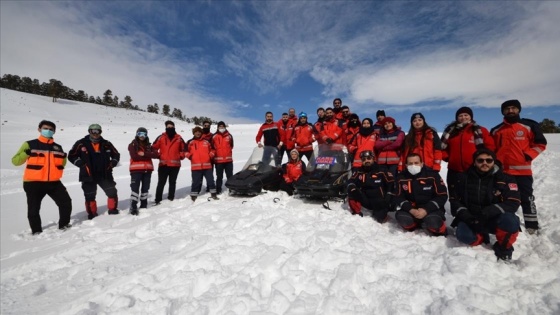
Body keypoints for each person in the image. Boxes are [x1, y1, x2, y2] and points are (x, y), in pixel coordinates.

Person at [450, 148, 521, 260]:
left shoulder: (507, 179)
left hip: (495, 218)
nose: (485, 163)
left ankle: (503, 246)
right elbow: (455, 201)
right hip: (473, 218)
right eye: (480, 160)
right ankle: (481, 237)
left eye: (489, 160)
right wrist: (467, 217)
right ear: (474, 162)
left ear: (494, 161)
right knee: (464, 236)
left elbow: (513, 202)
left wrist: (489, 211)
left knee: (511, 221)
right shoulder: (462, 178)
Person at [491, 99, 547, 234]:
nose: (510, 111)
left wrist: (528, 155)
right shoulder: (496, 130)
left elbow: (540, 144)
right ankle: (504, 221)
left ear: (518, 110)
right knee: (501, 197)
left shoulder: (529, 126)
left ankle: (532, 224)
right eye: (507, 109)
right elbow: (491, 150)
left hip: (523, 172)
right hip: (503, 172)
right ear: (503, 112)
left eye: (513, 108)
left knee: (527, 198)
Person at [11, 120, 72, 234]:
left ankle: (64, 225)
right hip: (33, 183)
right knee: (33, 209)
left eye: (51, 129)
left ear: (54, 132)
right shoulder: (29, 144)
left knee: (66, 202)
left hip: (54, 182)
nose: (48, 131)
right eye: (45, 128)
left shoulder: (57, 147)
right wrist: (26, 153)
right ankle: (36, 231)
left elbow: (62, 162)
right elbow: (15, 161)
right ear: (39, 129)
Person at [68, 123, 120, 219]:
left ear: (101, 132)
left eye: (98, 131)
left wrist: (113, 162)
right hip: (88, 174)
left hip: (105, 174)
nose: (96, 133)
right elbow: (71, 155)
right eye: (93, 131)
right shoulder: (81, 143)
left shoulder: (107, 144)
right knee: (89, 195)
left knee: (112, 192)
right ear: (89, 131)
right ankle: (92, 214)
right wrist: (80, 163)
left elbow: (116, 154)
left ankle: (113, 210)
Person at [441, 107, 495, 196]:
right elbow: (442, 148)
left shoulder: (480, 130)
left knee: (473, 195)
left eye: (466, 115)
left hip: (475, 169)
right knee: (454, 195)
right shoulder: (450, 131)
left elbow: (490, 147)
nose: (463, 117)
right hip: (454, 170)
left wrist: (484, 161)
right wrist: (447, 157)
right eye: (460, 115)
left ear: (471, 117)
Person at [394, 153, 448, 236]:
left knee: (432, 221)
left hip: (431, 210)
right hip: (412, 210)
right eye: (410, 163)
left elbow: (442, 195)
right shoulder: (401, 177)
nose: (413, 165)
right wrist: (410, 209)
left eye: (416, 163)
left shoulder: (432, 175)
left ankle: (440, 230)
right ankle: (415, 225)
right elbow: (398, 197)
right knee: (401, 217)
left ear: (422, 163)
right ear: (406, 165)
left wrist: (426, 209)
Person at [346, 150, 394, 223]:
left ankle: (381, 212)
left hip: (380, 201)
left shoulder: (382, 170)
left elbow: (391, 183)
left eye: (368, 158)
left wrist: (389, 196)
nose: (366, 160)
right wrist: (352, 187)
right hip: (366, 199)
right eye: (364, 159)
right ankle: (357, 212)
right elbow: (351, 180)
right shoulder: (359, 171)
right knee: (351, 190)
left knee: (380, 218)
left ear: (373, 159)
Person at [151, 120, 185, 205]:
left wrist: (180, 156)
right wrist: (158, 155)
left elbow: (184, 149)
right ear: (166, 127)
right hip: (163, 164)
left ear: (174, 127)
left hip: (175, 165)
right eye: (168, 127)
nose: (170, 128)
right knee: (161, 183)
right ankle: (158, 200)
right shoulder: (161, 137)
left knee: (172, 182)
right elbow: (153, 148)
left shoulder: (179, 138)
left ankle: (171, 198)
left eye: (171, 127)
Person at [128, 127, 159, 215]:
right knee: (135, 189)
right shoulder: (132, 145)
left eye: (144, 134)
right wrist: (149, 155)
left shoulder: (149, 145)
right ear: (137, 134)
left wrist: (144, 154)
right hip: (136, 170)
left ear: (146, 135)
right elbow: (134, 156)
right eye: (140, 134)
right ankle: (133, 206)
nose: (142, 136)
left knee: (145, 188)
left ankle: (143, 204)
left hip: (147, 170)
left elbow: (156, 154)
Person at [185, 126, 218, 201]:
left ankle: (213, 194)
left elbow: (213, 149)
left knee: (210, 181)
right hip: (195, 166)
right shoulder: (190, 142)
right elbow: (184, 151)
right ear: (194, 133)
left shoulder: (207, 141)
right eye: (196, 132)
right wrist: (190, 157)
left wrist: (210, 156)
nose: (198, 133)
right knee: (195, 182)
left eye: (199, 131)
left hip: (207, 166)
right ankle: (194, 195)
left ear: (201, 133)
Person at [212, 121, 234, 194]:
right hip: (218, 161)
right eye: (220, 126)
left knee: (230, 176)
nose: (221, 128)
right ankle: (218, 189)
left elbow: (231, 146)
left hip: (228, 160)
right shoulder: (214, 136)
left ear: (225, 127)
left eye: (223, 126)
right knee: (219, 177)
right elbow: (212, 147)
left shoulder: (229, 136)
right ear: (218, 127)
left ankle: (231, 189)